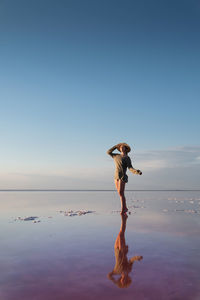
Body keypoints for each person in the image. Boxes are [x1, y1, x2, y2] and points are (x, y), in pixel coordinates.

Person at [107, 214, 143, 288]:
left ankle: (124, 218)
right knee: (121, 233)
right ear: (128, 280)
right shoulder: (128, 270)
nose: (123, 281)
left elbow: (109, 275)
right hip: (122, 251)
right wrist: (137, 257)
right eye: (125, 282)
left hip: (116, 250)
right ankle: (124, 218)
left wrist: (116, 282)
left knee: (121, 233)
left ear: (120, 280)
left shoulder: (116, 272)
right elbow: (131, 261)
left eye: (122, 282)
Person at [107, 143, 142, 214]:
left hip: (122, 176)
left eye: (123, 147)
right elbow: (108, 152)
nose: (121, 148)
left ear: (126, 149)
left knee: (121, 192)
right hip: (116, 176)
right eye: (120, 147)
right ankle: (125, 208)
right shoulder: (116, 156)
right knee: (120, 194)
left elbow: (130, 168)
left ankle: (123, 209)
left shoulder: (127, 158)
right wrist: (115, 146)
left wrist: (136, 172)